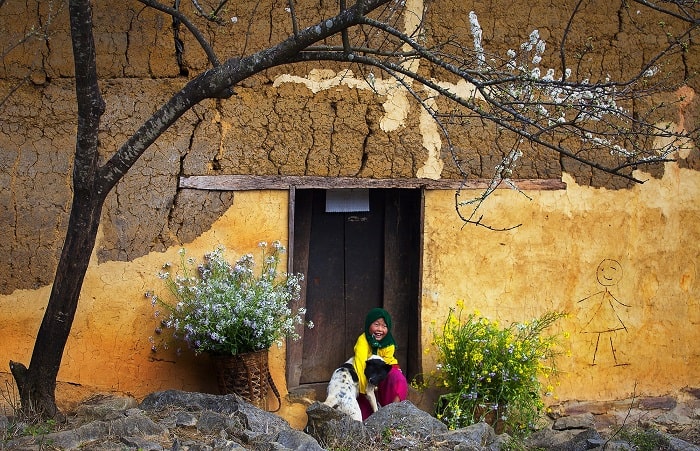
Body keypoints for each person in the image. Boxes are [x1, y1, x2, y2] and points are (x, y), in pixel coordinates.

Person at [353, 307, 408, 419]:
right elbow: (360, 364)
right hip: (366, 375)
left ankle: (392, 414)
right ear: (369, 325)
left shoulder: (389, 343)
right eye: (376, 324)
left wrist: (378, 383)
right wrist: (366, 390)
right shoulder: (363, 341)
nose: (380, 329)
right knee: (364, 415)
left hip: (384, 371)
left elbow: (386, 365)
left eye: (384, 326)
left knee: (399, 379)